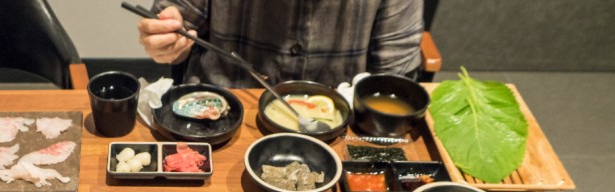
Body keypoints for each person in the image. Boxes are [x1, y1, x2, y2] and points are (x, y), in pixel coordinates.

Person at [137, 0, 424, 89]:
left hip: (337, 128)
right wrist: (167, 39)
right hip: (220, 114)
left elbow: (392, 81)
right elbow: (178, 20)